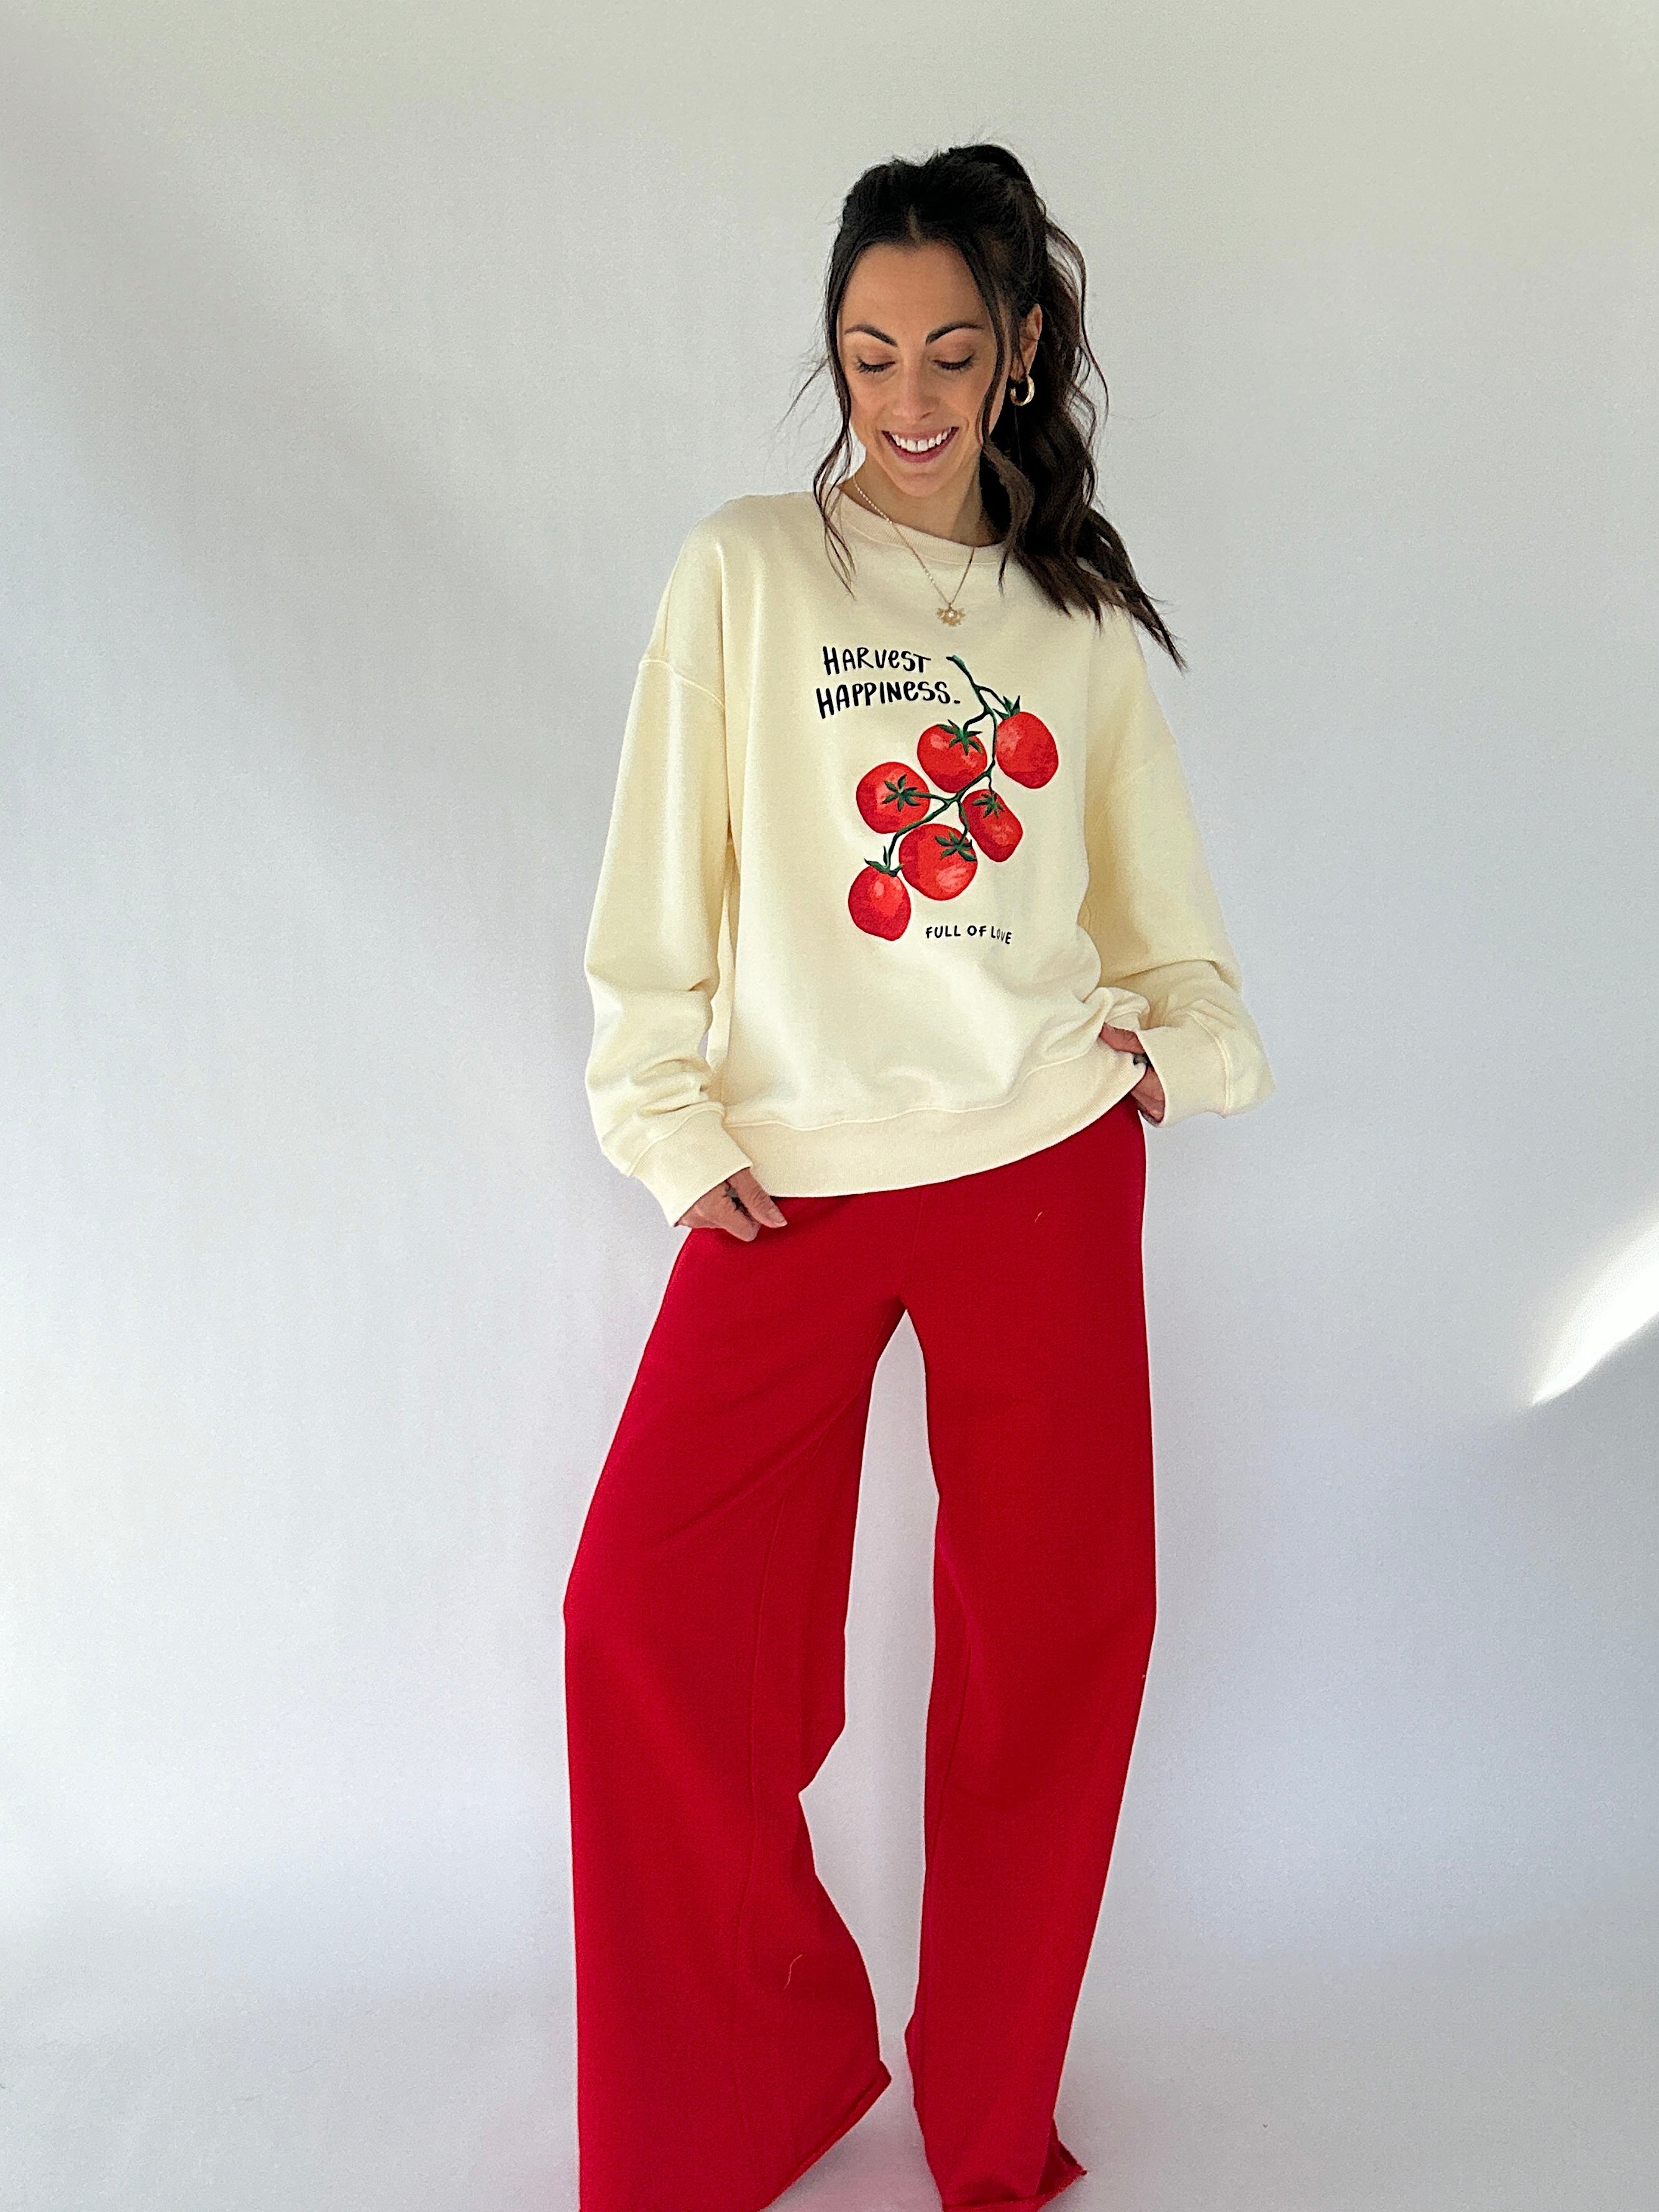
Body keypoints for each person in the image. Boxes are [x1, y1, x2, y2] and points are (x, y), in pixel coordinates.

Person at [563, 142, 1274, 2212]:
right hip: (787, 1184)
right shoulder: (743, 574)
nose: (908, 397)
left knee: (1057, 1650)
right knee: (639, 1617)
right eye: (869, 355)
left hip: (1039, 1169)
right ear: (835, 356)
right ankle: (762, 2070)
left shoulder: (1074, 629)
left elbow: (1180, 951)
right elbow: (653, 896)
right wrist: (668, 1124)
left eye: (951, 353)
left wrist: (1171, 1059)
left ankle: (986, 2122)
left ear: (1021, 351)